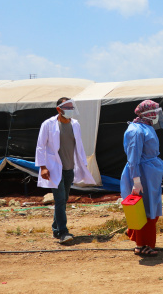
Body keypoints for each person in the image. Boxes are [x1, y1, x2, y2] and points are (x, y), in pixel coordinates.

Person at [35, 97, 96, 245]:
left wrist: (82, 163)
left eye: (71, 107)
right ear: (59, 109)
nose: (70, 110)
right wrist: (43, 167)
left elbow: (78, 146)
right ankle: (63, 232)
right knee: (60, 200)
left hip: (70, 167)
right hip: (54, 168)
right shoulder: (48, 124)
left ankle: (56, 228)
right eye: (67, 108)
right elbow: (41, 146)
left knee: (64, 199)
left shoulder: (75, 124)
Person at [120, 100, 163, 257]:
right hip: (142, 175)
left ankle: (139, 238)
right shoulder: (136, 131)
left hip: (150, 174)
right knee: (145, 210)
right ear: (146, 113)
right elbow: (133, 158)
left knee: (151, 208)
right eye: (155, 112)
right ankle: (142, 245)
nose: (157, 115)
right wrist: (136, 181)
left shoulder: (146, 127)